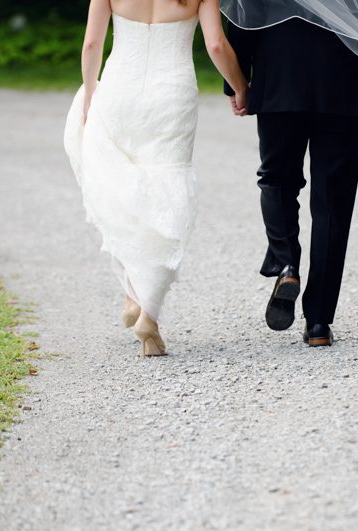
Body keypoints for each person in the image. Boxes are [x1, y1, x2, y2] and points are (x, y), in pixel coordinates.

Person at [223, 0, 358, 347]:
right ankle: (318, 322)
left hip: (280, 85)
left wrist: (237, 84)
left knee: (277, 180)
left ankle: (287, 263)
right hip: (344, 92)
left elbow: (245, 20)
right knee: (333, 203)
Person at [63, 0, 248, 356]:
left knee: (122, 188)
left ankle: (135, 292)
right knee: (168, 192)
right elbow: (215, 45)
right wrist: (240, 86)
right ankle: (147, 310)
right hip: (172, 95)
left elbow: (91, 44)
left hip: (120, 91)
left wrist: (89, 93)